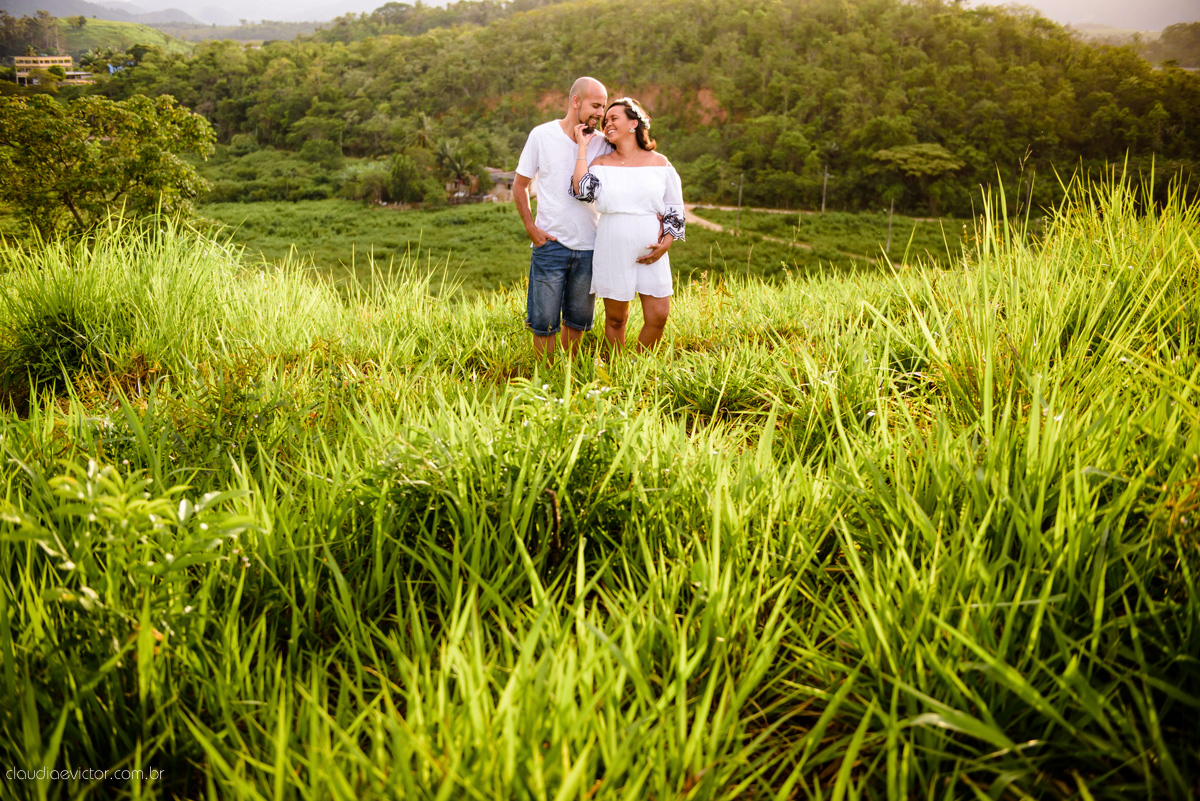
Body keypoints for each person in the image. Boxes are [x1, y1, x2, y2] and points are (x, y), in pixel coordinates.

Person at [570, 97, 685, 352]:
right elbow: (581, 191)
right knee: (616, 318)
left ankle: (639, 366)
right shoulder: (601, 164)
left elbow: (674, 206)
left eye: (614, 118)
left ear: (634, 123)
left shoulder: (660, 163)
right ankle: (617, 371)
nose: (607, 124)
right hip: (612, 246)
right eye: (605, 120)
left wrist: (667, 242)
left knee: (658, 317)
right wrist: (582, 149)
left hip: (652, 250)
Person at [513, 77, 612, 359]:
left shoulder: (603, 144)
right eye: (596, 105)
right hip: (551, 245)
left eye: (603, 107)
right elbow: (519, 185)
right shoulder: (542, 135)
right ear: (576, 101)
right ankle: (544, 382)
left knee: (578, 320)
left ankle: (566, 376)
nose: (600, 113)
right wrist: (531, 228)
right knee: (543, 323)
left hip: (590, 246)